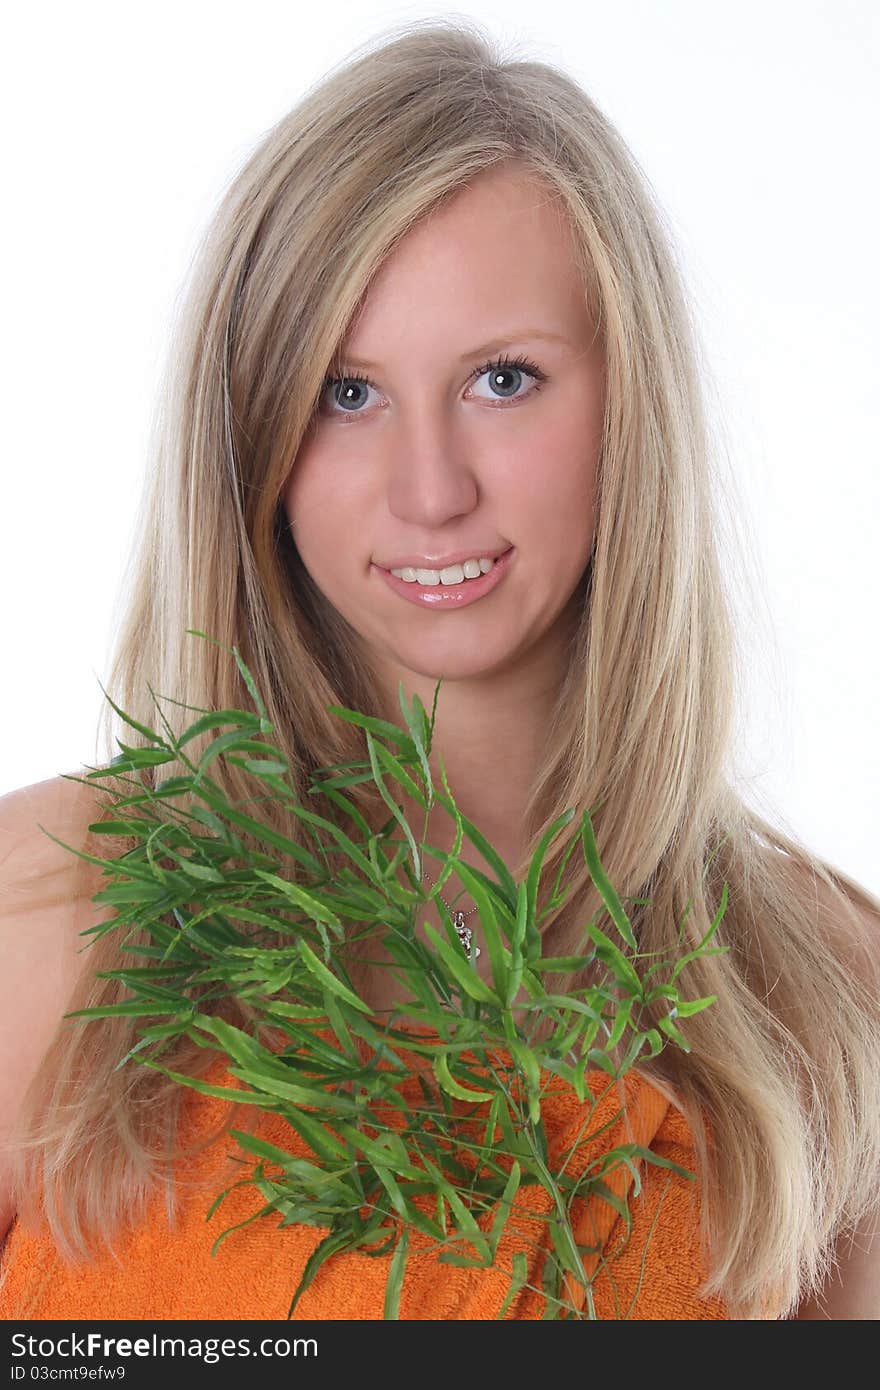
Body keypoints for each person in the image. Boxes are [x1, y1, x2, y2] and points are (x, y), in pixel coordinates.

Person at [1, 18, 878, 1322]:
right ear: (254, 436)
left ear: (630, 401)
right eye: (346, 394)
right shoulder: (55, 908)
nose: (431, 490)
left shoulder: (820, 991)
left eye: (504, 379)